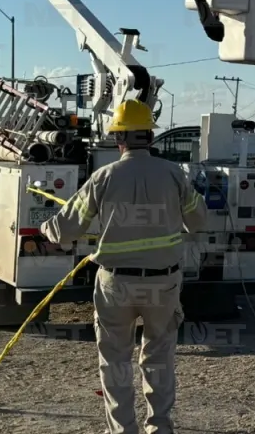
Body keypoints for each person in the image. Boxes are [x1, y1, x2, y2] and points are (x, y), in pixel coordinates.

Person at [40, 98, 207, 434]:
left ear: (118, 139)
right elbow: (198, 221)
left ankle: (123, 430)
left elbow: (66, 230)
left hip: (115, 285)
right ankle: (160, 427)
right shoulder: (175, 175)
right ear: (149, 135)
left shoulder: (104, 177)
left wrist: (48, 229)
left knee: (116, 360)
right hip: (164, 284)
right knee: (159, 357)